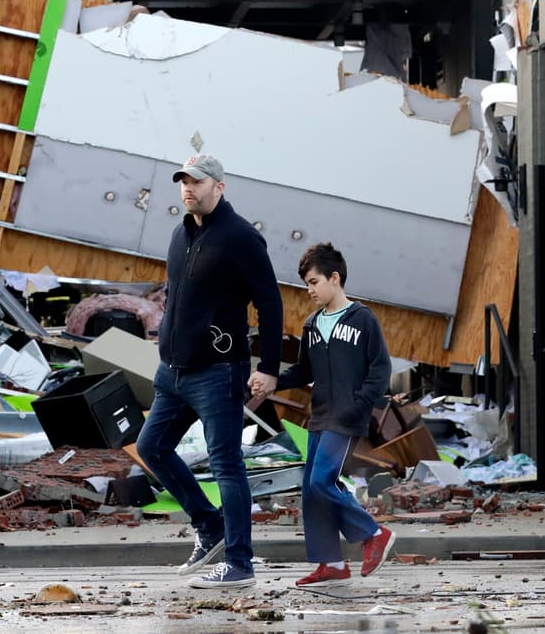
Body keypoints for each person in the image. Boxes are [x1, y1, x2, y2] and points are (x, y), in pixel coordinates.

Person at [135, 154, 284, 590]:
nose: (188, 189)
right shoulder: (181, 235)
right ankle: (210, 526)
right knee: (152, 447)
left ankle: (239, 564)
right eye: (183, 181)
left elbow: (271, 304)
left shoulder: (240, 238)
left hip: (220, 370)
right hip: (174, 371)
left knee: (226, 464)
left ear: (219, 187)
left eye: (197, 182)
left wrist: (270, 368)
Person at [271, 242, 396, 587]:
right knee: (312, 490)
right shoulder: (312, 324)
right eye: (307, 284)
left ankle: (374, 533)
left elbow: (380, 368)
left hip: (347, 416)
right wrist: (270, 382)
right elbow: (302, 371)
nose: (309, 290)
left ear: (334, 278)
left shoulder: (362, 318)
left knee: (321, 480)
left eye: (313, 282)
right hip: (321, 416)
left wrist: (360, 404)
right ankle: (332, 564)